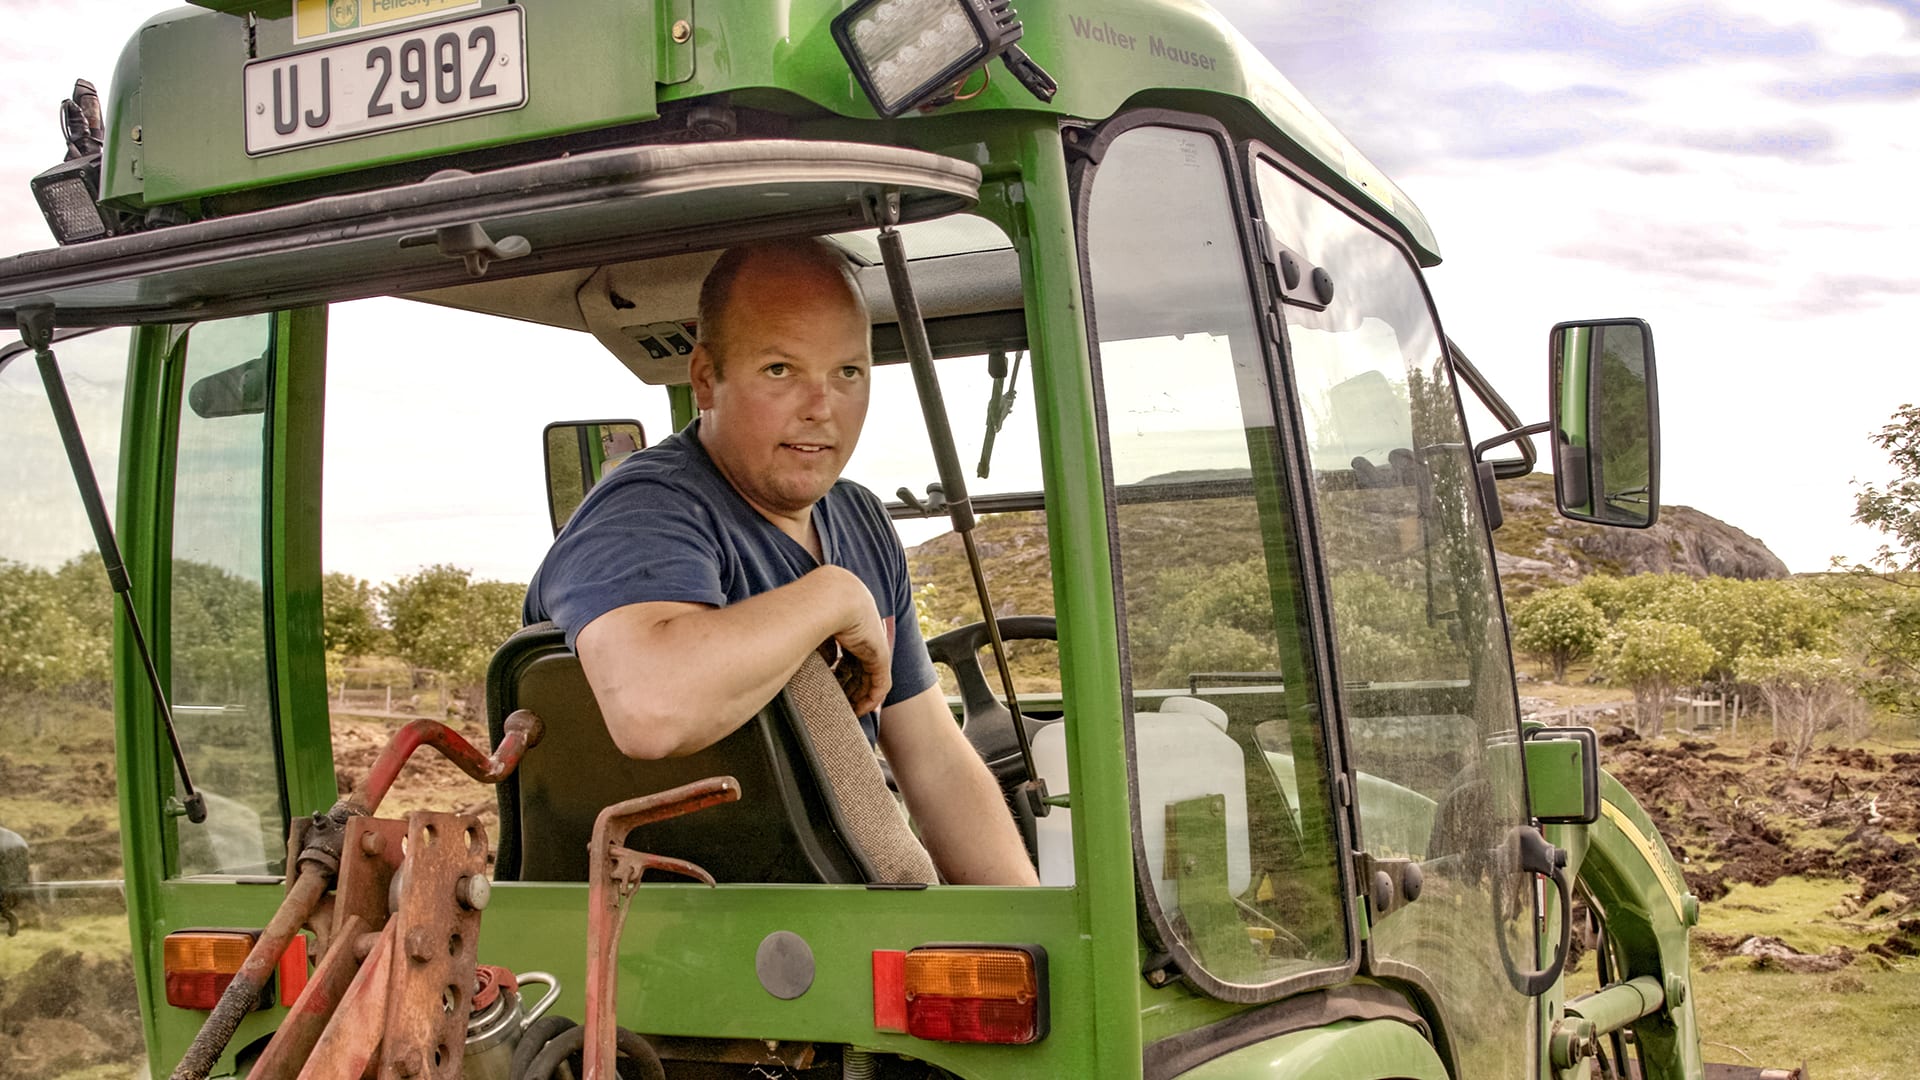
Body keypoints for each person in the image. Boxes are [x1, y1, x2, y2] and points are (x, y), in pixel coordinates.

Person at [524, 238, 1037, 886]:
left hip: (843, 896)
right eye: (780, 370)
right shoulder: (647, 509)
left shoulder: (859, 516)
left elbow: (932, 758)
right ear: (705, 378)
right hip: (687, 916)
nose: (821, 407)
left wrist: (1027, 922)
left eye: (847, 372)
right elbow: (651, 710)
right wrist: (832, 597)